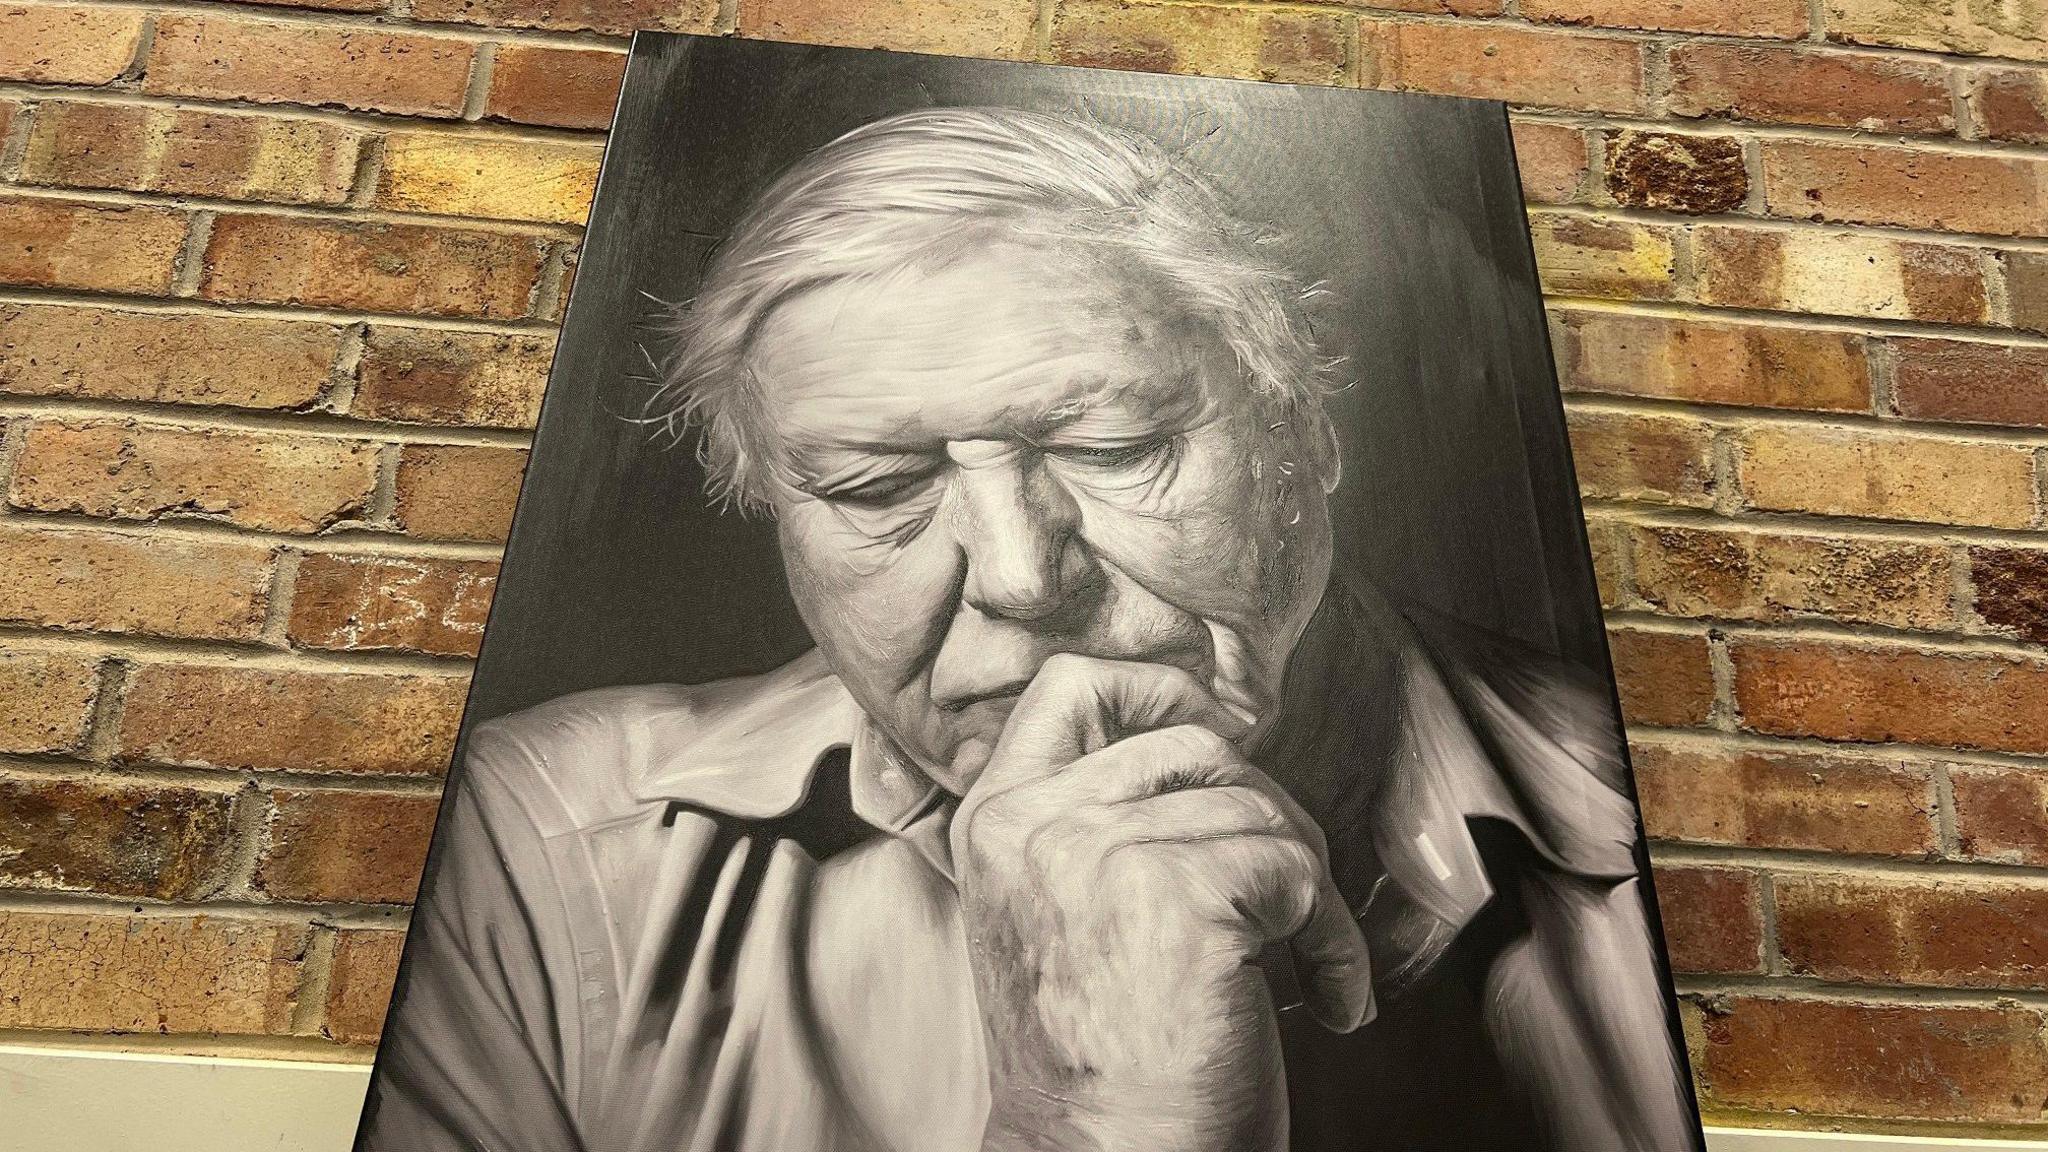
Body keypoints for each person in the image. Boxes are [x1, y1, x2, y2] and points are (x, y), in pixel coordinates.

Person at [357, 107, 1697, 1152]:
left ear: (1306, 440)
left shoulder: (1656, 832)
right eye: (879, 488)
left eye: (1113, 447)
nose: (1016, 575)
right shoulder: (543, 846)